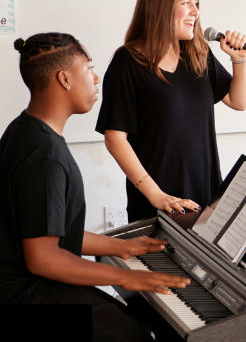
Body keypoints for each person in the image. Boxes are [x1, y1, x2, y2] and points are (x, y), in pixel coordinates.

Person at [0, 33, 190, 341]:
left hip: (26, 287)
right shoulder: (44, 155)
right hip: (24, 295)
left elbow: (52, 235)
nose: (97, 78)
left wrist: (122, 247)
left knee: (130, 321)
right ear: (64, 79)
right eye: (89, 69)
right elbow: (44, 258)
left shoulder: (24, 131)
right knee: (131, 333)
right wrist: (125, 277)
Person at [96, 0, 246, 223]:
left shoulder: (198, 55)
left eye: (197, 3)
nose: (196, 12)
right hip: (158, 205)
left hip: (206, 201)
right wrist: (157, 195)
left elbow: (239, 101)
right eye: (186, 3)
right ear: (159, 7)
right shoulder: (128, 62)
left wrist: (239, 60)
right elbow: (115, 138)